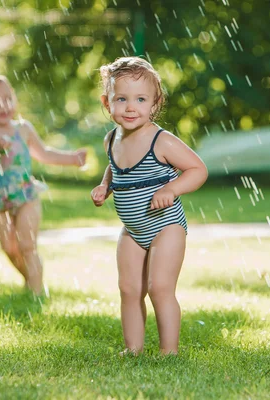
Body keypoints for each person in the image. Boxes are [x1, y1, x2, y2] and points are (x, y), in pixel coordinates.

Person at [91, 57, 208, 355]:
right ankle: (133, 349)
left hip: (165, 226)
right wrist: (106, 185)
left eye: (141, 99)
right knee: (129, 290)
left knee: (159, 288)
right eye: (122, 99)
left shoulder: (161, 141)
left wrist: (171, 188)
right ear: (107, 103)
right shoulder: (111, 139)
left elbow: (197, 169)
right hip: (132, 230)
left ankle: (169, 353)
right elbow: (116, 168)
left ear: (155, 104)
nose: (131, 107)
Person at [0, 74, 87, 295]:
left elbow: (44, 154)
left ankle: (36, 293)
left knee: (27, 246)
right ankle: (31, 279)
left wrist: (72, 159)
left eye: (7, 98)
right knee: (9, 248)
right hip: (3, 200)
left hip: (26, 196)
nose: (3, 105)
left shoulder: (22, 129)